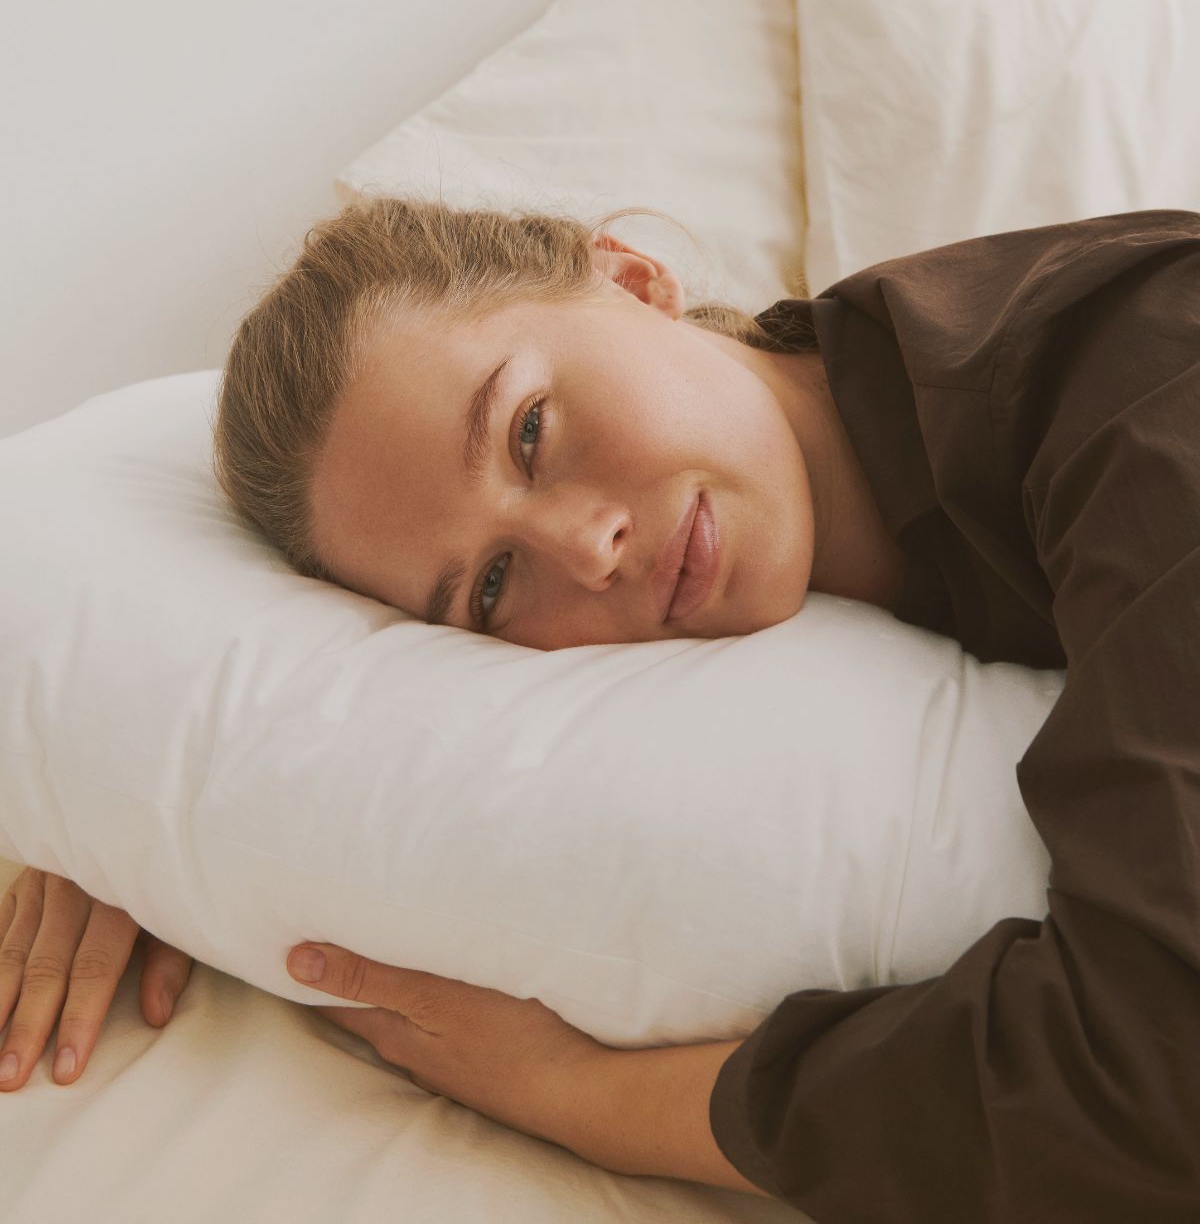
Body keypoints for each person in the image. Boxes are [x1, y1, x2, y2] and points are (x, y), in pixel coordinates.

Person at [1, 197, 1197, 1220]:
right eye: (491, 588)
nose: (587, 548)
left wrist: (589, 1098)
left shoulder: (1143, 369)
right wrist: (138, 808)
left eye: (530, 430)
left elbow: (1150, 1068)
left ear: (630, 277)